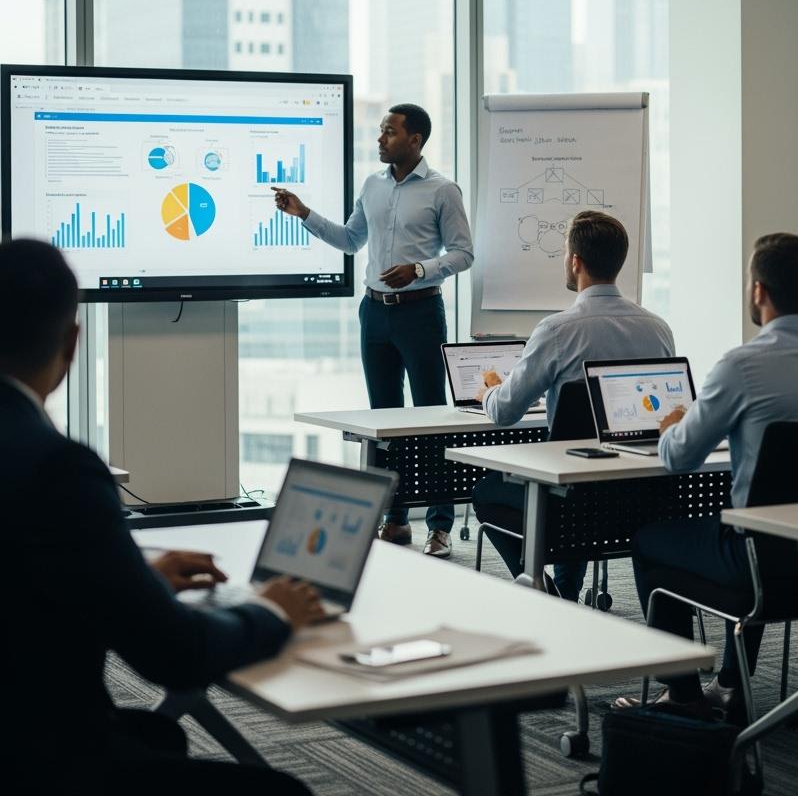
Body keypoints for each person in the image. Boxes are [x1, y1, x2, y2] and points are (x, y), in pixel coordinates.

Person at [1, 239, 320, 795]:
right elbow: (175, 656)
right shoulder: (58, 468)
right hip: (38, 762)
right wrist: (274, 611)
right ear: (73, 342)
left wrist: (134, 578)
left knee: (154, 734)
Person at [623, 233, 798, 720]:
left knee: (654, 539)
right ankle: (733, 684)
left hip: (761, 565)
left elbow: (678, 459)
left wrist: (674, 425)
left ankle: (682, 694)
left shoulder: (742, 365)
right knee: (756, 518)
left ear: (758, 291)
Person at [274, 103, 473, 558]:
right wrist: (304, 213)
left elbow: (463, 253)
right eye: (381, 132)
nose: (379, 139)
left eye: (388, 132)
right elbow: (350, 240)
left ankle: (439, 525)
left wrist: (420, 268)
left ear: (415, 140)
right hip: (374, 313)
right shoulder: (372, 185)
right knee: (383, 422)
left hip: (422, 312)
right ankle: (397, 519)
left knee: (430, 420)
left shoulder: (443, 190)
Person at [471, 210, 674, 601]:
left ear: (575, 261)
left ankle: (549, 596)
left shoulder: (557, 329)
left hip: (572, 505)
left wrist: (491, 390)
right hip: (640, 499)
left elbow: (504, 412)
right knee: (574, 482)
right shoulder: (658, 328)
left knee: (487, 492)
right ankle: (565, 587)